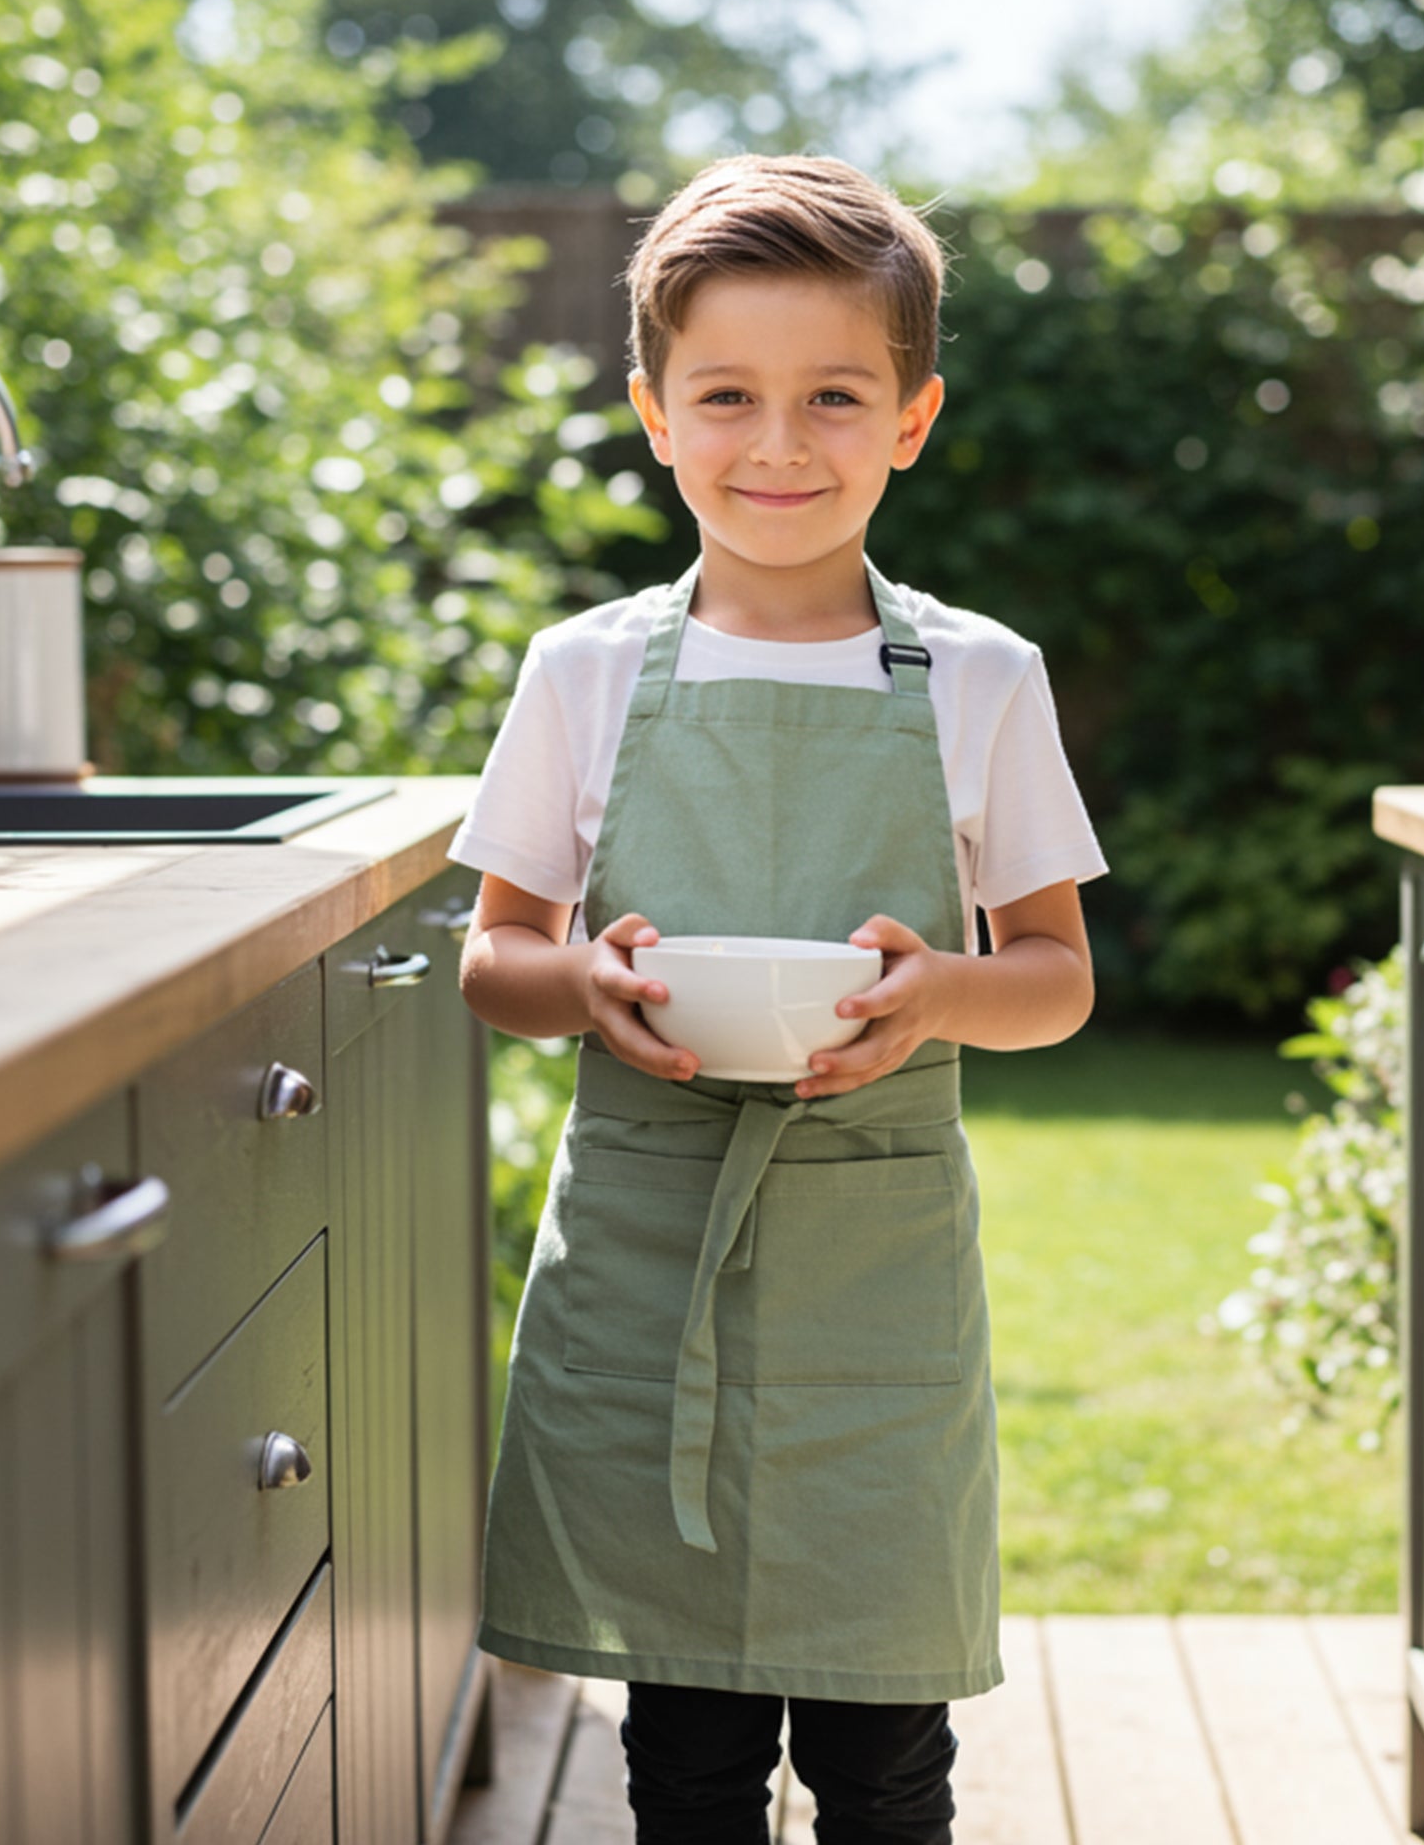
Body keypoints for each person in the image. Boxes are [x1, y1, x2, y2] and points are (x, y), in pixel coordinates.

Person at [451, 153, 1105, 1845]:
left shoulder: (978, 676)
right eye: (728, 396)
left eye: (835, 396)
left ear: (913, 416)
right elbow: (496, 957)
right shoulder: (585, 672)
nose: (780, 445)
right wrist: (586, 983)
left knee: (886, 1756)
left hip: (875, 1293)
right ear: (656, 415)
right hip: (645, 1270)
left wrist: (937, 990)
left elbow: (1053, 983)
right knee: (683, 1742)